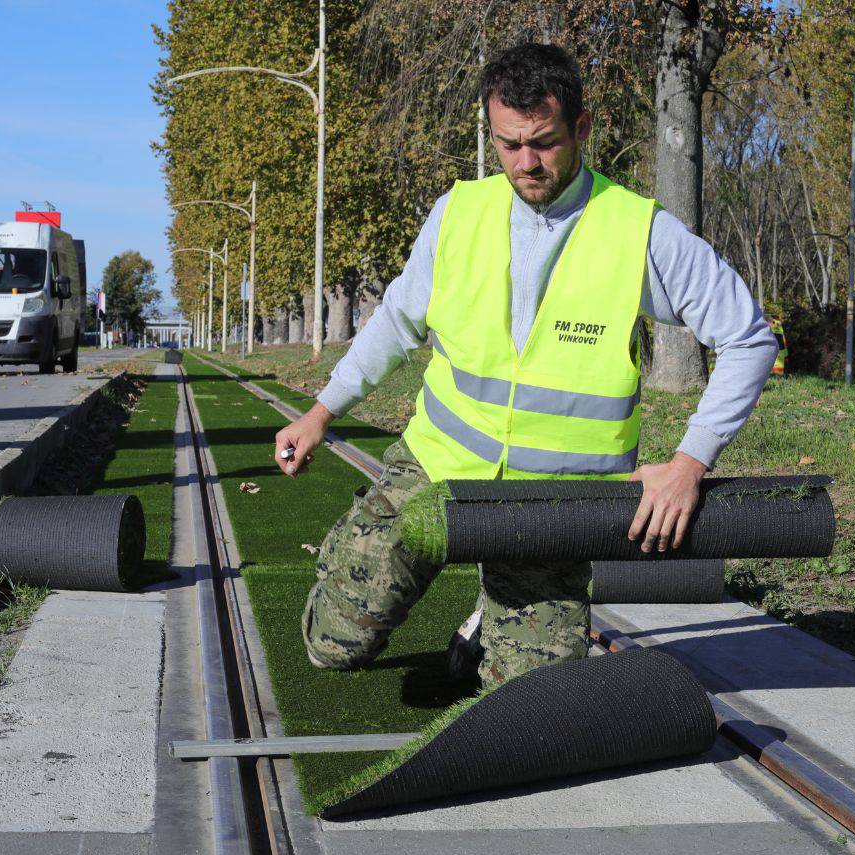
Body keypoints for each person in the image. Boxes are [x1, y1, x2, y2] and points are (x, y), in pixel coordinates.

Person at [276, 43, 778, 689]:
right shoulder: (459, 211)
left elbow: (748, 338)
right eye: (508, 145)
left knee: (532, 698)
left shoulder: (642, 232)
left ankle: (485, 625)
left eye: (543, 142)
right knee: (334, 650)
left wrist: (690, 462)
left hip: (553, 502)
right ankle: (358, 562)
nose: (526, 163)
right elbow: (399, 318)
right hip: (436, 462)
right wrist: (321, 412)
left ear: (582, 129)